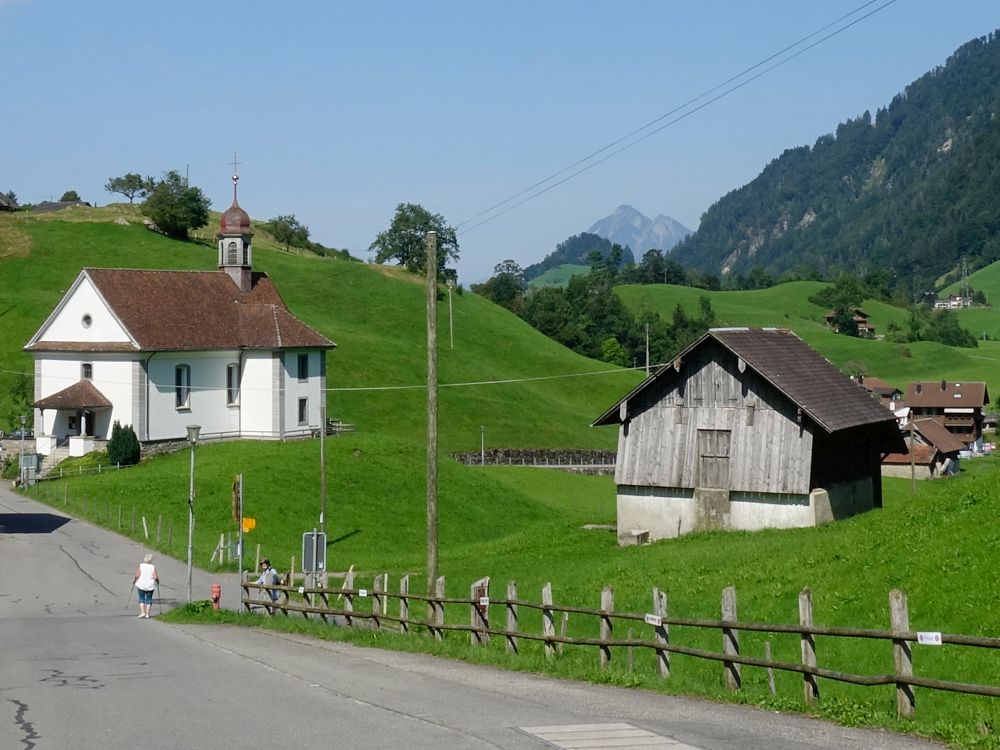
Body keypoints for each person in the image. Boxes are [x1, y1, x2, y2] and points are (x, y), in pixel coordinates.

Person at [133, 553, 159, 619]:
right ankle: (147, 614)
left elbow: (137, 575)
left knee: (141, 598)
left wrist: (134, 580)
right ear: (151, 560)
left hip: (141, 584)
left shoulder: (141, 566)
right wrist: (157, 580)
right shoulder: (153, 567)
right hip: (150, 585)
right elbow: (155, 577)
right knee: (149, 598)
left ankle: (142, 612)